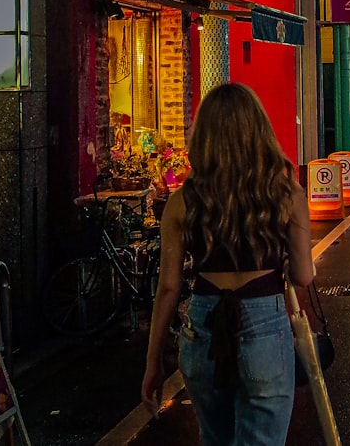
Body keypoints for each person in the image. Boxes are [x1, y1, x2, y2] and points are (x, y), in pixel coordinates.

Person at [141, 83, 313, 445]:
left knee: (215, 437)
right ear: (259, 133)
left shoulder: (182, 202)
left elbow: (169, 287)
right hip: (266, 326)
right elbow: (303, 275)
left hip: (203, 328)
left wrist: (153, 362)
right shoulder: (286, 195)